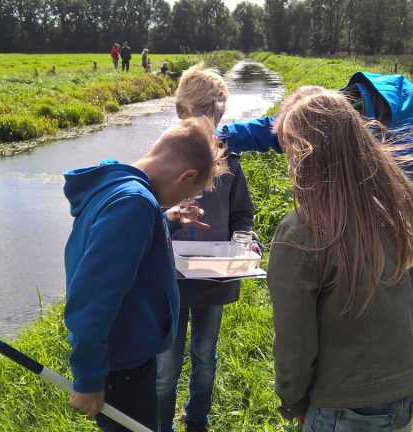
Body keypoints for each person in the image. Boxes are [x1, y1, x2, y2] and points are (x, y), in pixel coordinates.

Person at [218, 72, 413, 432]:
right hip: (403, 246)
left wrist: (377, 288)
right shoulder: (340, 120)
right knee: (384, 361)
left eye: (294, 150)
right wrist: (221, 137)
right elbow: (286, 128)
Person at [267, 88, 413, 431]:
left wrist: (293, 399)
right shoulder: (390, 211)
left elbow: (295, 339)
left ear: (304, 154)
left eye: (288, 149)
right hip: (405, 385)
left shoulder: (301, 232)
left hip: (344, 402)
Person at [64, 117, 228, 432]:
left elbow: (128, 248)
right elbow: (93, 297)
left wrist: (166, 221)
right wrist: (88, 377)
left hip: (125, 360)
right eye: (188, 194)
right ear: (186, 176)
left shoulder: (119, 186)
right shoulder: (134, 204)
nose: (180, 202)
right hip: (122, 370)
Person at [156, 64, 259, 432]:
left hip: (214, 280)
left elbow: (243, 214)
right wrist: (168, 216)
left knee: (205, 357)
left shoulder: (229, 162)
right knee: (166, 367)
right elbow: (147, 214)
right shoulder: (162, 160)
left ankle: (197, 421)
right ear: (179, 111)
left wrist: (246, 241)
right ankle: (161, 425)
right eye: (198, 114)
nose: (206, 125)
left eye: (212, 117)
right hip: (170, 282)